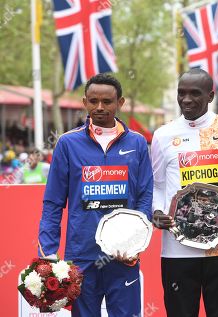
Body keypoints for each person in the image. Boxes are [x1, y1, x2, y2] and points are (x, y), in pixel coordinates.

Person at [37, 73, 153, 317]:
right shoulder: (68, 144)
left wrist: (135, 243)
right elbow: (53, 202)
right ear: (84, 102)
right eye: (93, 101)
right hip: (81, 257)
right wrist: (47, 254)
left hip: (123, 256)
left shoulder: (138, 143)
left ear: (120, 103)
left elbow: (144, 196)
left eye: (107, 102)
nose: (99, 107)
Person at [151, 68, 218, 317]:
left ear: (211, 96)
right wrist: (157, 210)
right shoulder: (163, 135)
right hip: (177, 247)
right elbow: (157, 184)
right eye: (181, 94)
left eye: (195, 93)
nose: (186, 100)